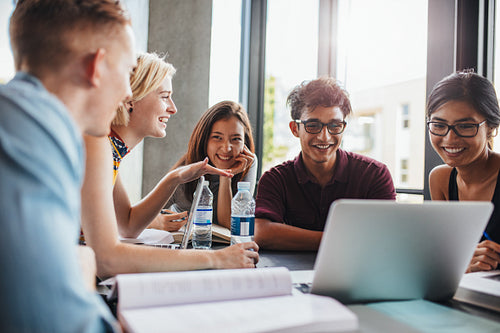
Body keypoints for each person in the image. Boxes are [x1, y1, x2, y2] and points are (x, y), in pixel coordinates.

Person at [0, 0, 136, 331]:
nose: (129, 92)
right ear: (97, 67)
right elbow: (54, 320)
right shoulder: (34, 131)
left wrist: (79, 261)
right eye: (128, 72)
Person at [81, 55, 259, 279]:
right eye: (165, 97)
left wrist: (174, 178)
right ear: (130, 99)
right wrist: (217, 258)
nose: (173, 109)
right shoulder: (97, 147)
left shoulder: (111, 151)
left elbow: (127, 225)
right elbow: (107, 259)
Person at [254, 76, 396, 251]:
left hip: (355, 275)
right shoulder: (275, 179)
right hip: (291, 275)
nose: (324, 136)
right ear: (294, 129)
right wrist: (345, 240)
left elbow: (385, 237)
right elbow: (262, 233)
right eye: (313, 125)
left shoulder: (375, 175)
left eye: (334, 126)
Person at [427, 70, 500, 273]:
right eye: (439, 125)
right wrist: (463, 264)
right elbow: (447, 255)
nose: (450, 139)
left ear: (492, 128)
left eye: (466, 126)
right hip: (469, 291)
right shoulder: (440, 179)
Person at [166, 100, 257, 229]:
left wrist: (226, 176)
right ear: (204, 140)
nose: (226, 148)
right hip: (188, 244)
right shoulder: (184, 173)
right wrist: (158, 222)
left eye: (236, 139)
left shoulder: (247, 162)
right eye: (217, 137)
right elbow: (143, 217)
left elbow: (229, 225)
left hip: (223, 246)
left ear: (245, 142)